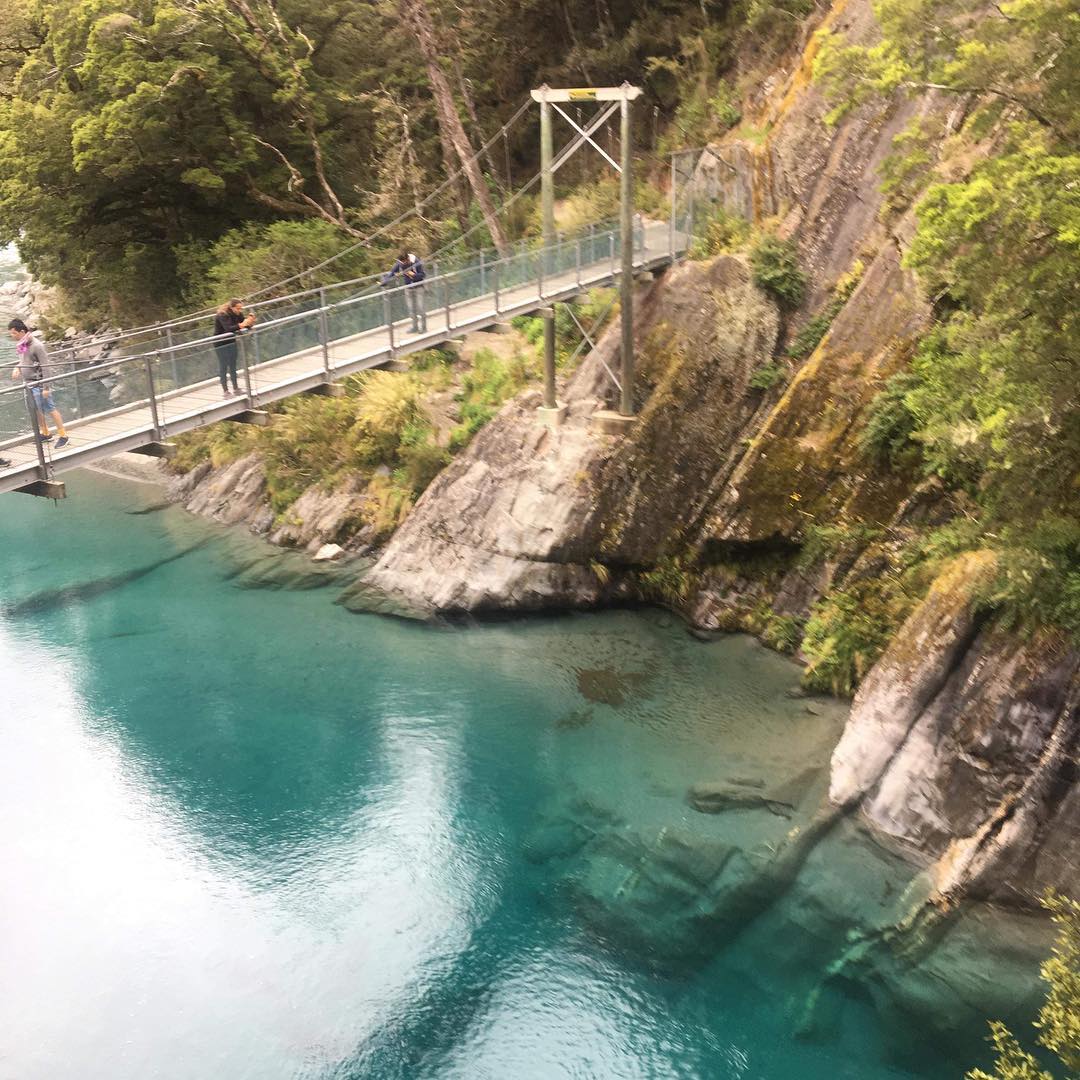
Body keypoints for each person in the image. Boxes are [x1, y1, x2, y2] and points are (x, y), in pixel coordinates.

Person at [8, 318, 69, 448]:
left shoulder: (37, 345)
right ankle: (46, 433)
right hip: (28, 384)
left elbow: (45, 366)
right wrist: (17, 367)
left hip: (39, 383)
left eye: (14, 333)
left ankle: (63, 435)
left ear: (22, 331)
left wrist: (46, 387)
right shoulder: (22, 344)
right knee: (35, 410)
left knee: (50, 408)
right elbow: (24, 361)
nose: (12, 336)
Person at [212, 298, 256, 398]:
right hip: (220, 342)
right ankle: (225, 391)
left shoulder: (238, 314)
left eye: (241, 308)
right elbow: (228, 328)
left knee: (233, 364)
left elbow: (243, 325)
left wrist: (250, 322)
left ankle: (236, 388)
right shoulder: (222, 314)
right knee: (223, 365)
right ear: (232, 307)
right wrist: (242, 325)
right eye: (238, 308)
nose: (240, 311)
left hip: (231, 340)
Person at [385, 252, 427, 334]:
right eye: (402, 262)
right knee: (411, 309)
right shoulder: (400, 262)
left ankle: (424, 327)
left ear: (408, 259)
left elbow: (423, 275)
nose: (403, 264)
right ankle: (415, 327)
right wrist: (385, 281)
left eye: (405, 262)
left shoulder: (416, 261)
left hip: (418, 287)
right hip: (408, 288)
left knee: (421, 308)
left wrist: (413, 275)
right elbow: (393, 271)